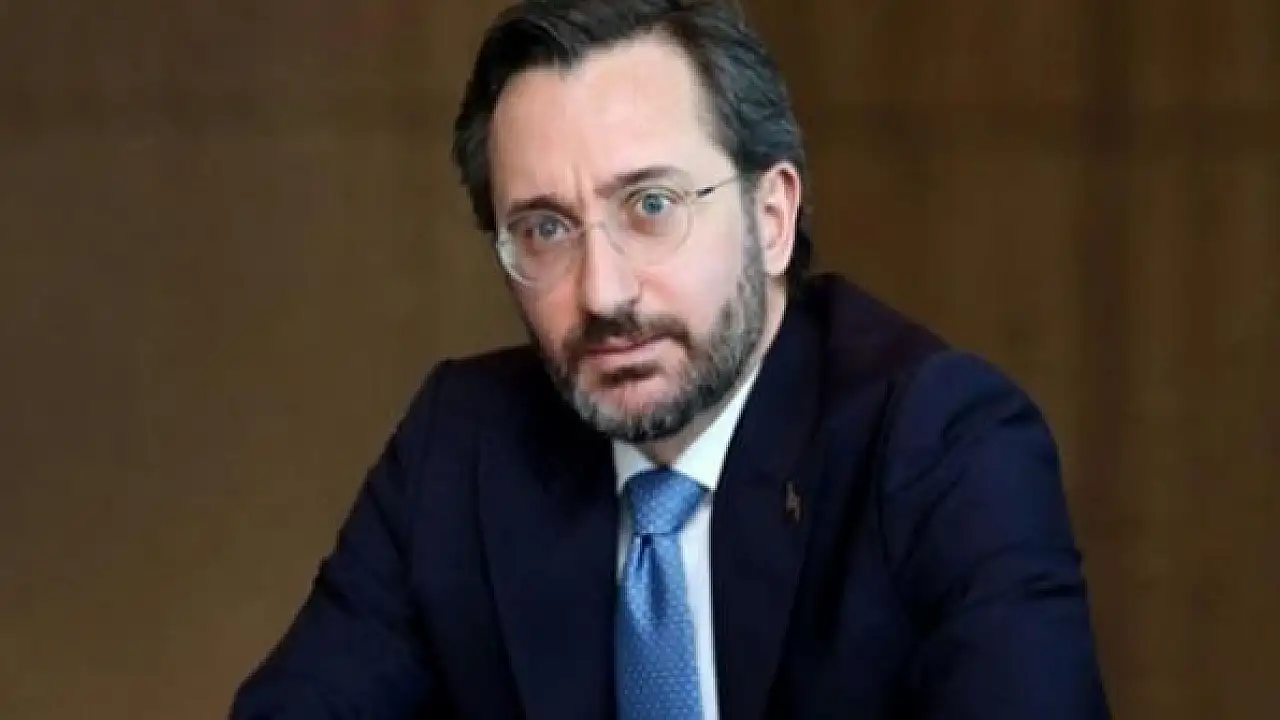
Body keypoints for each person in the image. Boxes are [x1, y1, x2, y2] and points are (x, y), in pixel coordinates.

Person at [231, 0, 1110, 717]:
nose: (603, 293)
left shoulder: (940, 443)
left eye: (651, 206)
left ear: (772, 217)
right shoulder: (459, 449)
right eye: (545, 229)